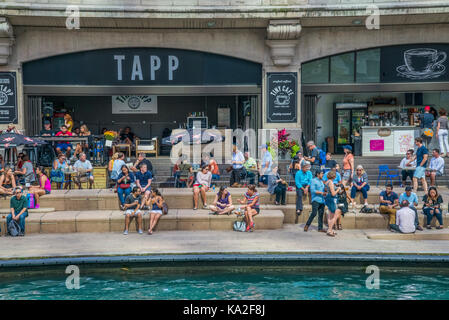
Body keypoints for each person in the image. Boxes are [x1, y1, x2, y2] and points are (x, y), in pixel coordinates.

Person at [323, 170, 343, 237]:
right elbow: (333, 193)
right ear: (333, 176)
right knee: (335, 214)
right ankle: (329, 230)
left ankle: (330, 230)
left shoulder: (327, 182)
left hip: (328, 198)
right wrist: (338, 189)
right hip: (331, 199)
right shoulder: (331, 182)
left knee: (330, 215)